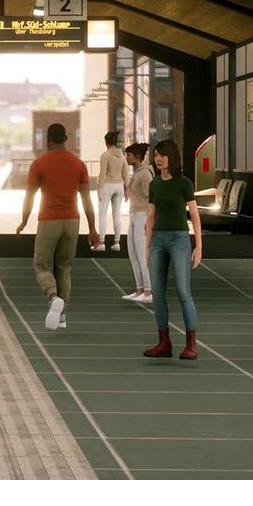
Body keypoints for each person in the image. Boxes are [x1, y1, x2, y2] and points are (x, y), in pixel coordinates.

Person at [15, 122, 101, 330]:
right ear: (66, 139)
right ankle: (62, 317)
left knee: (42, 265)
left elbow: (29, 196)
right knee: (64, 267)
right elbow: (87, 201)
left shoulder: (39, 164)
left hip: (48, 220)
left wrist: (24, 220)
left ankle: (53, 297)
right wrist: (92, 228)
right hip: (72, 221)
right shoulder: (79, 164)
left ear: (47, 140)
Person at [142, 138, 202, 361]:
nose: (158, 159)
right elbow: (150, 217)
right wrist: (147, 247)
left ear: (172, 157)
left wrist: (199, 246)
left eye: (162, 155)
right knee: (157, 293)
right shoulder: (154, 185)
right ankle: (164, 342)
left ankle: (191, 344)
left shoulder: (184, 184)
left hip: (179, 240)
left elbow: (194, 216)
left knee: (183, 291)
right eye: (156, 155)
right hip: (158, 240)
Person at [121, 143, 153, 304]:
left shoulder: (145, 174)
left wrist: (149, 220)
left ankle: (148, 290)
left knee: (141, 254)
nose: (126, 158)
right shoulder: (137, 173)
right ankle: (140, 289)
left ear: (137, 157)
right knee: (133, 253)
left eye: (129, 155)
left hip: (142, 215)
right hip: (134, 214)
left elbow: (151, 198)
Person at [96, 131, 131, 253]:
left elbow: (102, 174)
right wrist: (127, 189)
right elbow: (126, 174)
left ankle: (101, 242)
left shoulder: (105, 155)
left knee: (102, 214)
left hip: (107, 185)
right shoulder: (122, 156)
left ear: (106, 142)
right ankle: (117, 243)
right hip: (119, 186)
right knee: (116, 215)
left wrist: (99, 188)